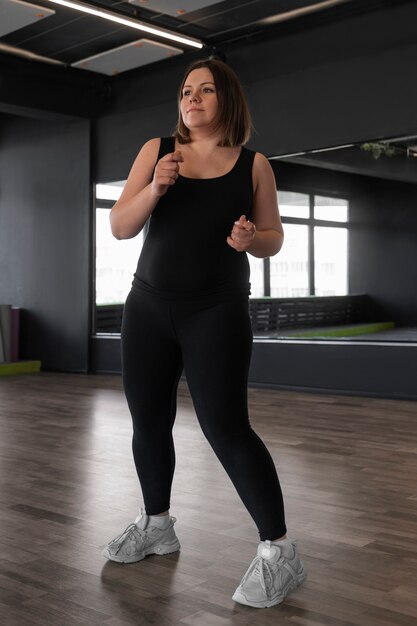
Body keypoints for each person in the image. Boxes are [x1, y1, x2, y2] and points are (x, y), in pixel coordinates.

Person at [102, 58, 306, 609]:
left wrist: (249, 241)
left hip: (214, 311)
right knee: (149, 420)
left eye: (206, 91)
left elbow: (274, 238)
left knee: (225, 427)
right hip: (146, 308)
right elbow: (121, 226)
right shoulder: (157, 151)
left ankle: (279, 552)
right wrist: (155, 189)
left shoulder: (253, 165)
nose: (192, 99)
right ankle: (156, 524)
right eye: (186, 91)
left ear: (227, 101)